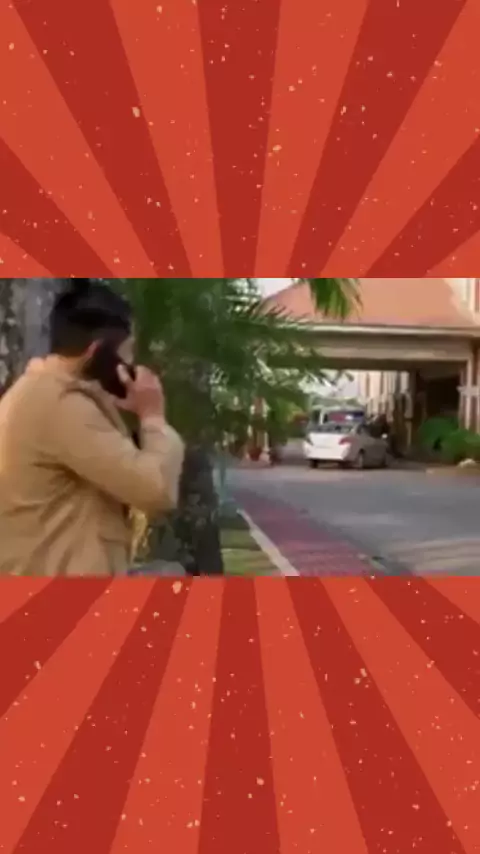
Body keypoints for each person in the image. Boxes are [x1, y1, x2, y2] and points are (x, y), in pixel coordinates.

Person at [0, 279, 184, 576]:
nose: (131, 363)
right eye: (127, 352)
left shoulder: (46, 392)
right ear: (99, 352)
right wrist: (153, 416)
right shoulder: (61, 406)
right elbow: (155, 489)